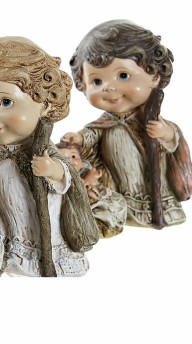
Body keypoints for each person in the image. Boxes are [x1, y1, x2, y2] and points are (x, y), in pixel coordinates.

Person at [0, 36, 99, 277]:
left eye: (5, 102)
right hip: (9, 225)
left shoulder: (43, 152)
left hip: (42, 229)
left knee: (38, 238)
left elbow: (66, 177)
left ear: (45, 103)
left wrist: (52, 170)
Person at [62, 20, 192, 229]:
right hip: (119, 188)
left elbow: (174, 140)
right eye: (97, 81)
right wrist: (79, 138)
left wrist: (165, 133)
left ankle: (153, 212)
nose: (109, 88)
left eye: (123, 75)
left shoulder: (150, 120)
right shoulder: (104, 123)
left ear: (154, 76)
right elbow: (92, 135)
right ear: (83, 84)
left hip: (150, 188)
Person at [56, 141, 127, 237]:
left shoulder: (87, 170)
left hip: (101, 199)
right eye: (64, 159)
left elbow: (96, 176)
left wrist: (91, 184)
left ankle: (109, 221)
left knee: (118, 202)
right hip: (82, 208)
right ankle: (99, 224)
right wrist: (86, 183)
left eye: (73, 156)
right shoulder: (62, 178)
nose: (70, 161)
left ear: (81, 160)